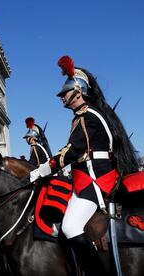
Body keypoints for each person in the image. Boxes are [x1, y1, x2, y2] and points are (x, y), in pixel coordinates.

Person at [30, 56, 138, 275]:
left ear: (78, 92)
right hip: (85, 176)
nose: (61, 97)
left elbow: (73, 151)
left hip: (96, 178)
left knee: (70, 227)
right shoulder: (85, 115)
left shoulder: (87, 116)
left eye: (65, 93)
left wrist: (43, 169)